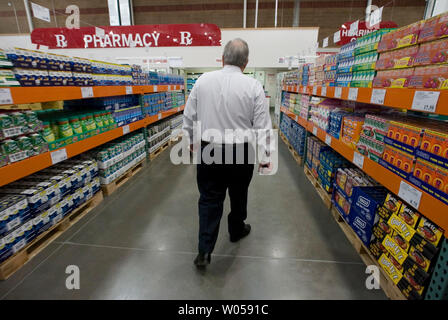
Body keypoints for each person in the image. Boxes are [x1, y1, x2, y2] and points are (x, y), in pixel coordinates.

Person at [182, 38, 273, 269]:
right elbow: (262, 125)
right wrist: (265, 157)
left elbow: (189, 116)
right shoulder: (253, 86)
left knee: (209, 198)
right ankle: (236, 230)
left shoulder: (202, 81)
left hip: (209, 148)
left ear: (222, 59)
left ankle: (204, 250)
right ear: (246, 63)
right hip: (240, 152)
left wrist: (192, 142)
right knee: (239, 193)